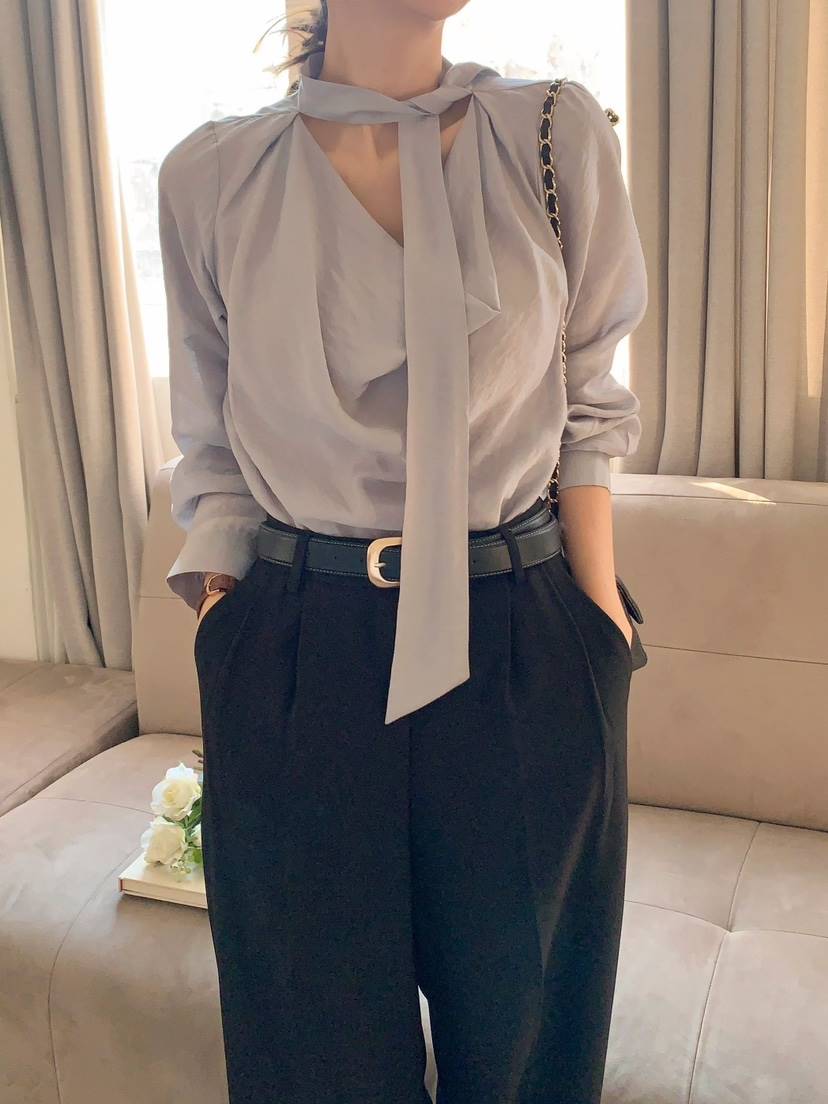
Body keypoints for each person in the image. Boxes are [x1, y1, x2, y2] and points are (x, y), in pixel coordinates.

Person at [157, 1, 648, 1101]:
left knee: (529, 1059)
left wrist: (598, 621)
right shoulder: (213, 175)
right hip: (300, 648)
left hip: (521, 636)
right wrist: (227, 623)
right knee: (312, 1065)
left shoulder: (552, 134)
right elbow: (210, 440)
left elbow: (590, 395)